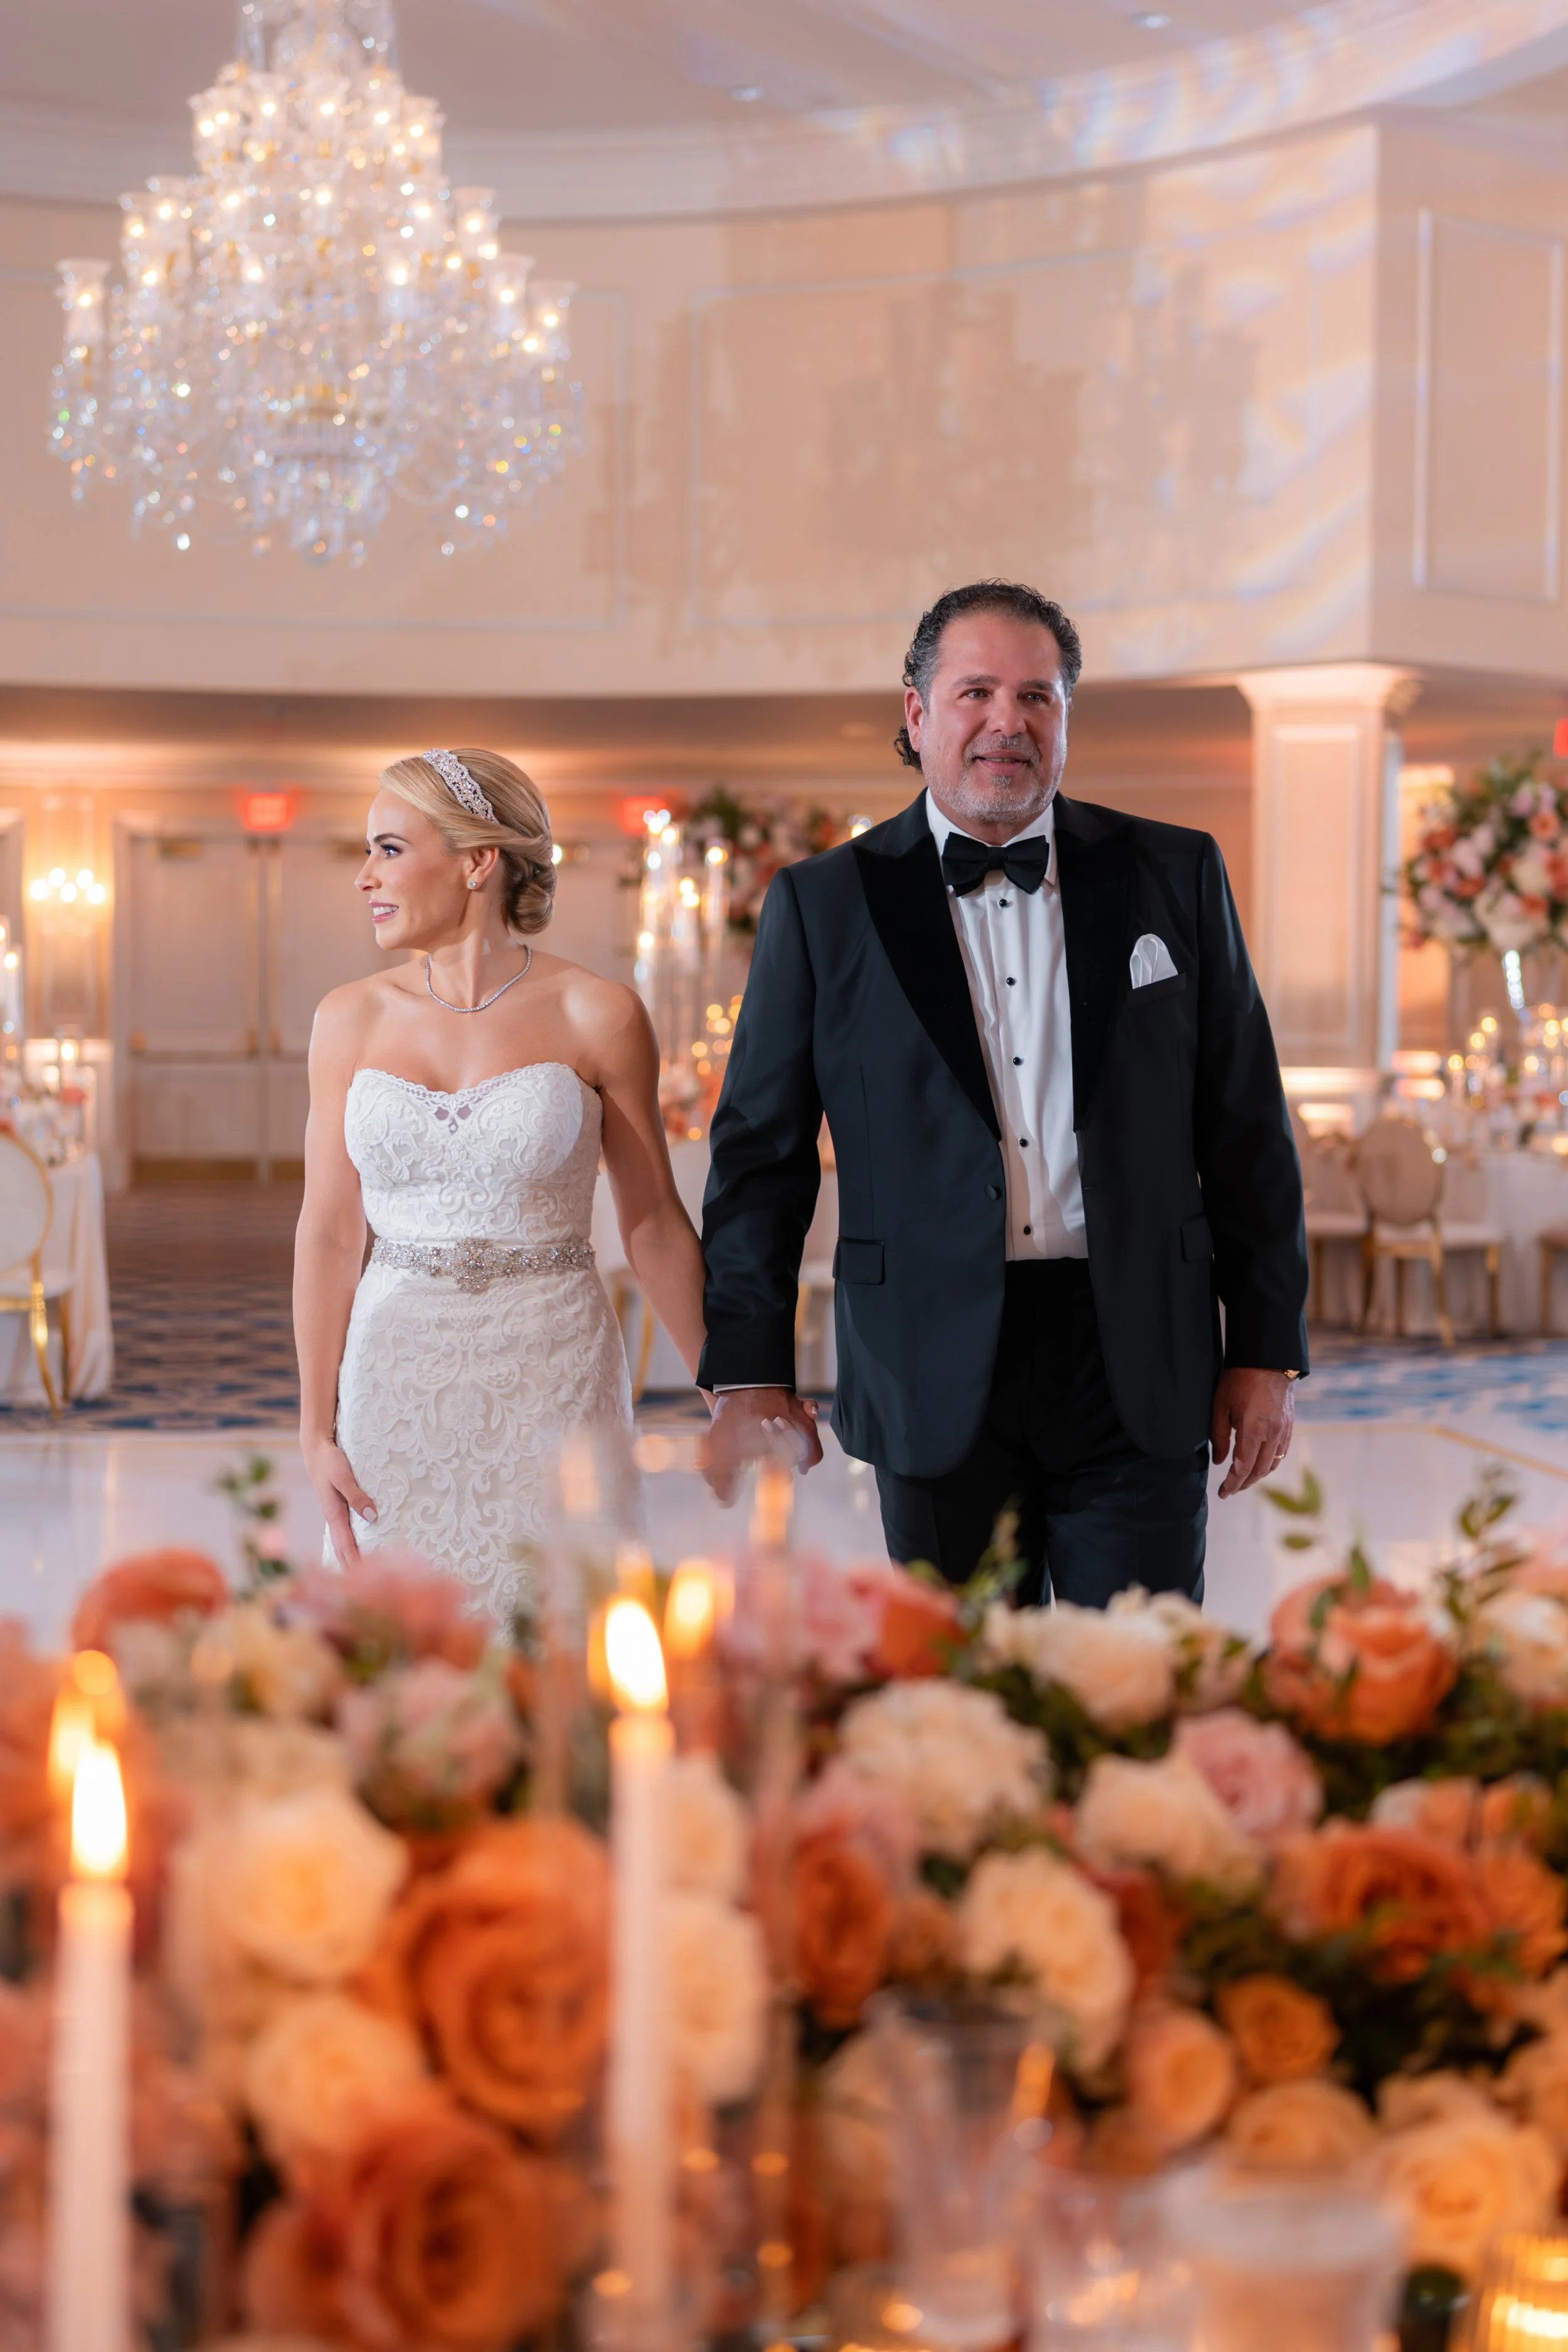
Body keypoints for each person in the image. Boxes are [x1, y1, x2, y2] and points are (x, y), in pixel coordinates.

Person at [700, 581, 1308, 1606]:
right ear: (916, 713)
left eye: (1038, 695)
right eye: (975, 690)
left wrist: (1264, 1349)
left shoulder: (1176, 871)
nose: (1007, 721)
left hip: (1137, 1352)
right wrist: (750, 1366)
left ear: (1067, 715)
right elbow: (761, 1153)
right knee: (963, 1698)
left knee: (1135, 1679)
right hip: (927, 1356)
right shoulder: (823, 904)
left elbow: (1246, 1126)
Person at [295, 748, 707, 1620]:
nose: (365, 876)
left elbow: (654, 1223)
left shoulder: (597, 1013)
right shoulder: (348, 1018)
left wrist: (732, 1389)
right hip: (393, 1373)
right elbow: (330, 1232)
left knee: (563, 1632)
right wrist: (314, 1427)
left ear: (479, 861)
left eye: (390, 849)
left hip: (553, 1371)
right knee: (398, 1653)